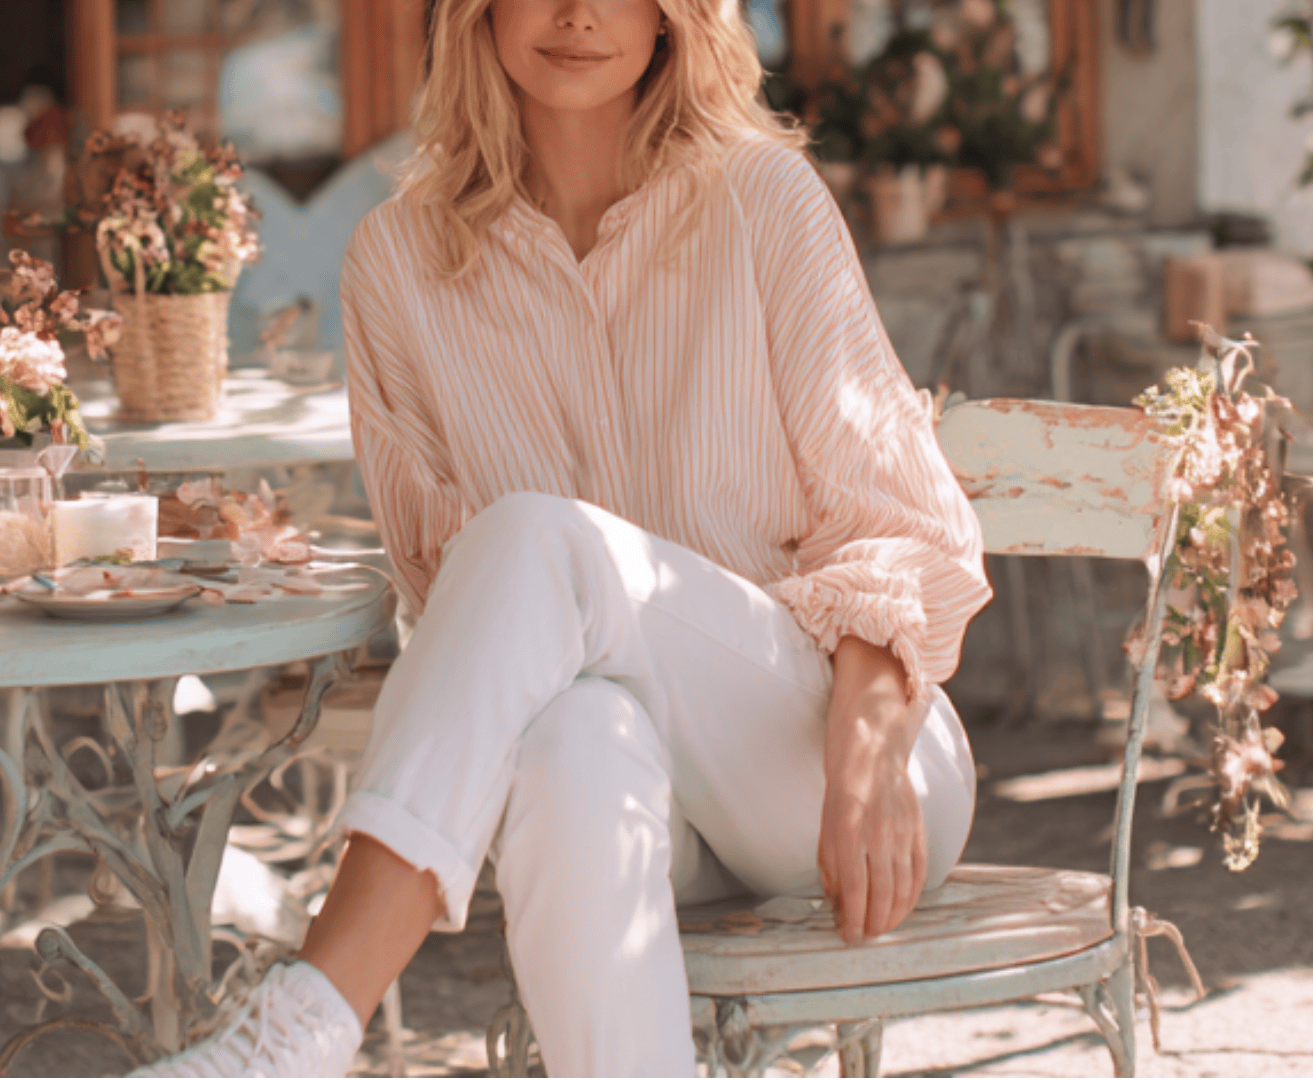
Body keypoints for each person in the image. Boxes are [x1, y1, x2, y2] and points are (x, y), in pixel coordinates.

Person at [136, 1, 990, 1075]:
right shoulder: (397, 261)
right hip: (628, 786)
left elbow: (901, 522)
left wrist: (867, 752)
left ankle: (304, 1022)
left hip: (829, 755)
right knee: (568, 737)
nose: (579, 14)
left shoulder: (761, 199)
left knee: (538, 539)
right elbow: (461, 605)